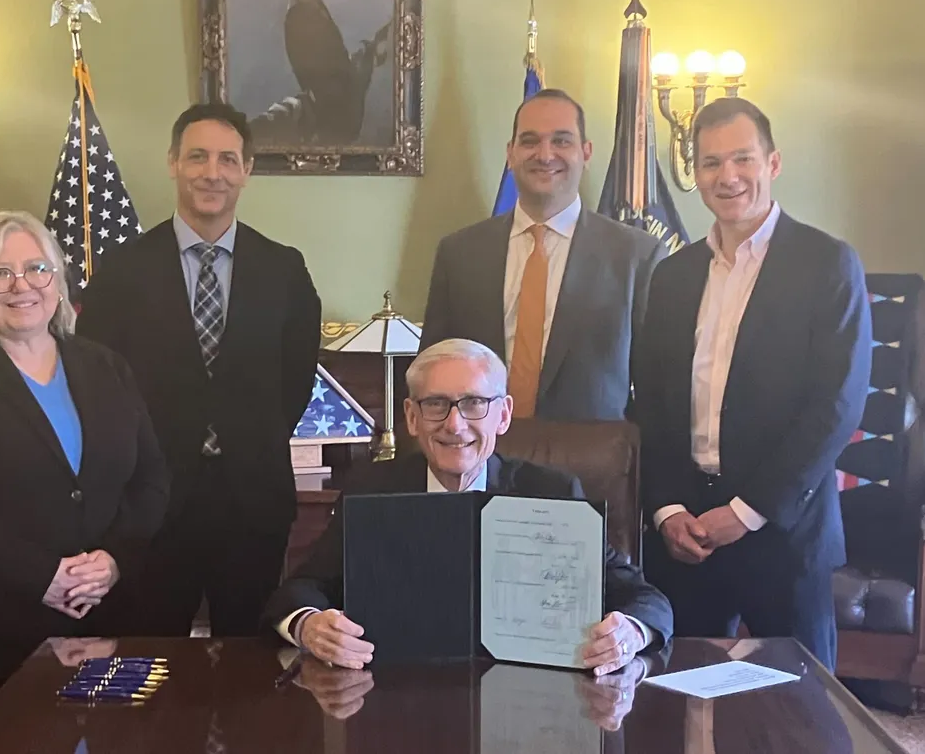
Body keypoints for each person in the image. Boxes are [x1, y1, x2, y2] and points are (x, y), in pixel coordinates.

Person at [0, 210, 170, 754]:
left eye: (37, 269)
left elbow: (152, 478)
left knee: (104, 740)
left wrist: (114, 559)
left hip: (104, 607)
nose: (21, 286)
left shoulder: (107, 367)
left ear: (59, 282)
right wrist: (42, 575)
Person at [263, 338, 674, 675]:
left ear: (503, 414)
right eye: (435, 404)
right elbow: (300, 588)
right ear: (410, 416)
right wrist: (309, 625)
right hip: (399, 699)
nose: (454, 424)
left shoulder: (552, 491)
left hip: (529, 703)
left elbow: (642, 596)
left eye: (475, 403)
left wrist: (631, 633)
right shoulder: (372, 488)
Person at [634, 97, 872, 671]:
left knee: (798, 713)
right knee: (677, 705)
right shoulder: (672, 276)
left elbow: (835, 407)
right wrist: (666, 509)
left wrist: (746, 511)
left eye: (742, 158)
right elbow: (652, 402)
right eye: (710, 163)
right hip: (686, 535)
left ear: (773, 162)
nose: (727, 176)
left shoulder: (828, 264)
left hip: (783, 535)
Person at [76, 102, 322, 638]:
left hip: (252, 501)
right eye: (198, 157)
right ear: (172, 163)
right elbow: (97, 383)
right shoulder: (122, 271)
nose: (213, 172)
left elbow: (296, 381)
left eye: (228, 160)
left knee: (251, 664)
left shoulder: (284, 269)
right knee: (149, 660)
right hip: (152, 503)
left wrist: (245, 438)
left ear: (246, 171)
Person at [420, 89, 664, 421]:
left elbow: (656, 388)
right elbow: (434, 373)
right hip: (482, 460)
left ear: (586, 152)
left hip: (590, 462)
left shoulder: (637, 257)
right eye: (530, 141)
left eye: (562, 141)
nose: (545, 154)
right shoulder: (459, 254)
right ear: (511, 153)